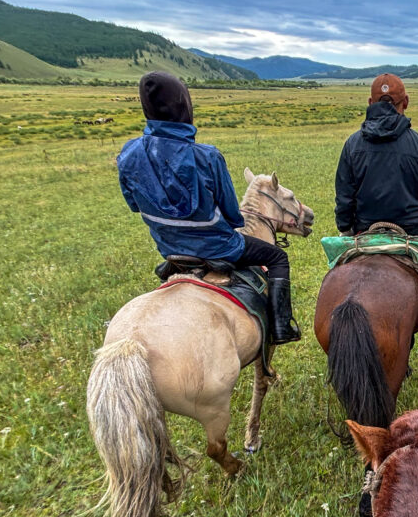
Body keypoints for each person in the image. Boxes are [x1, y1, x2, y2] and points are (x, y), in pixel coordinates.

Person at [117, 71, 300, 344]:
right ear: (184, 106)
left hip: (171, 250)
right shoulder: (206, 156)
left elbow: (134, 205)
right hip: (220, 248)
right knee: (276, 258)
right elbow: (232, 215)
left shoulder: (128, 154)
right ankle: (282, 327)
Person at [335, 73, 418, 309]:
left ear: (370, 103)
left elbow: (344, 197)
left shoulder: (352, 144)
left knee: (337, 269)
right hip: (412, 228)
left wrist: (345, 227)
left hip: (363, 228)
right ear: (406, 102)